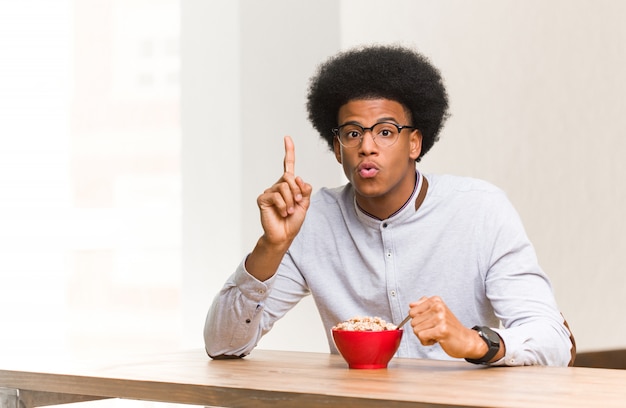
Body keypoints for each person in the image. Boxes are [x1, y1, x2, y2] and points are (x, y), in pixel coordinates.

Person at [204, 45, 575, 366]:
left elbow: (555, 342)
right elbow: (223, 345)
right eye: (353, 133)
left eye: (385, 131)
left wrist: (474, 342)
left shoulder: (480, 211)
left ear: (414, 143)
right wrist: (271, 247)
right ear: (337, 149)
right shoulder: (311, 221)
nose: (367, 146)